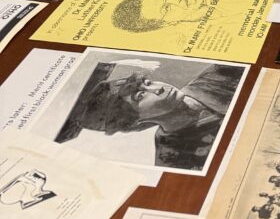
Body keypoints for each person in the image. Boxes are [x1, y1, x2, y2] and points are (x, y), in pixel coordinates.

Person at [57, 63, 242, 171]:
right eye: (140, 95)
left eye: (147, 83)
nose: (158, 88)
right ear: (134, 120)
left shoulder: (219, 76)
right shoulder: (176, 160)